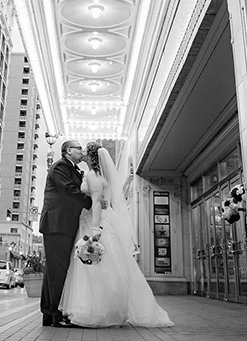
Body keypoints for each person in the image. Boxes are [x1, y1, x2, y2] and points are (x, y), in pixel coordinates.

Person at [59, 141, 173, 328]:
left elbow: (96, 202)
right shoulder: (102, 175)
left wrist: (96, 230)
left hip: (96, 222)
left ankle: (98, 310)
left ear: (92, 156)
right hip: (101, 219)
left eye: (85, 151)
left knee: (98, 266)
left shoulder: (93, 175)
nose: (83, 153)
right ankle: (106, 308)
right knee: (108, 265)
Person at [39, 140, 92, 327]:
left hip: (63, 225)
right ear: (68, 151)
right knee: (57, 270)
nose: (82, 151)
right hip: (57, 225)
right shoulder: (60, 166)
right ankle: (54, 315)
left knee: (54, 270)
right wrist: (91, 202)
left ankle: (49, 313)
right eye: (79, 148)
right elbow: (69, 191)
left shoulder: (72, 168)